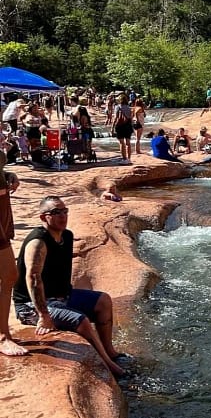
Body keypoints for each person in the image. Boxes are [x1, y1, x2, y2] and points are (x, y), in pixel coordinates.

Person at [13, 196, 124, 377]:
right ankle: (109, 366)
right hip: (30, 306)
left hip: (62, 297)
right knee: (81, 321)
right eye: (56, 212)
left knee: (103, 301)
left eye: (65, 211)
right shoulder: (38, 241)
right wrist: (44, 316)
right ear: (43, 217)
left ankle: (110, 352)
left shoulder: (67, 236)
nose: (62, 216)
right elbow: (33, 278)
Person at [0, 150, 25, 357]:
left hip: (3, 215)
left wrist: (7, 175)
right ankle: (2, 336)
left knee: (8, 276)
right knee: (8, 275)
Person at [112, 93, 134, 162]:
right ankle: (129, 158)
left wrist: (112, 127)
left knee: (122, 143)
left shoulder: (117, 107)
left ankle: (124, 159)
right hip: (128, 126)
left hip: (120, 126)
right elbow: (131, 118)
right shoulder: (129, 108)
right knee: (128, 143)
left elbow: (115, 118)